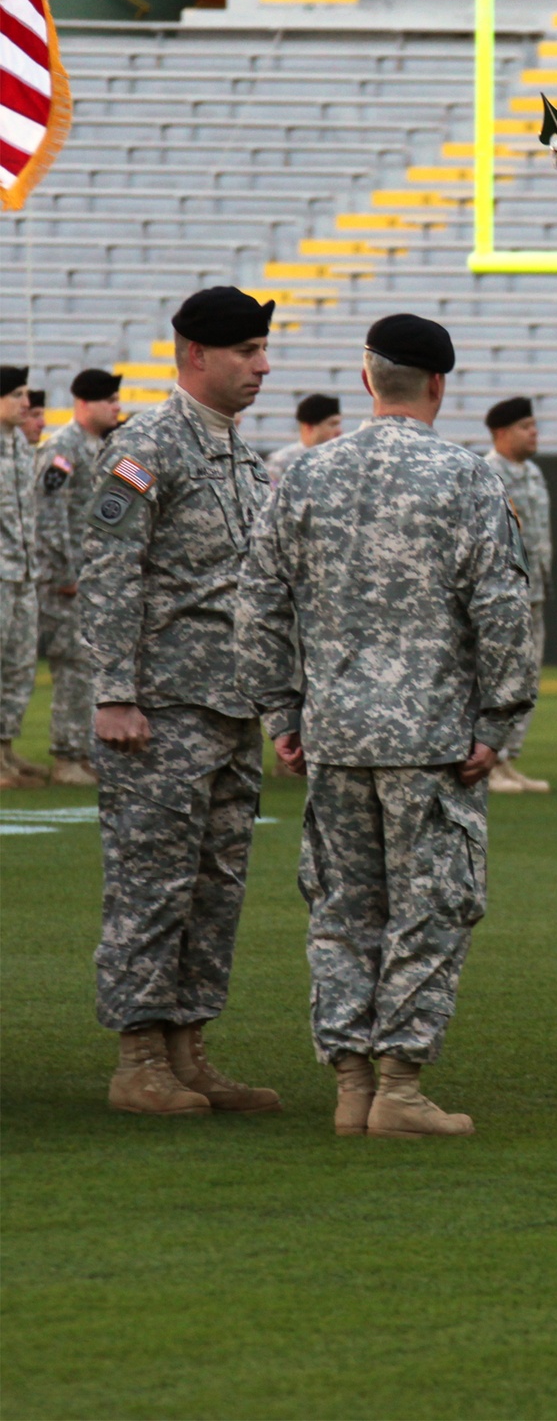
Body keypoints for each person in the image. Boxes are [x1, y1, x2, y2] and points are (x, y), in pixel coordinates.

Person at [236, 313, 536, 1139]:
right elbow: (501, 607)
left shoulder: (300, 475)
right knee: (430, 906)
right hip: (433, 739)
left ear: (367, 380)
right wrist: (498, 719)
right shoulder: (466, 477)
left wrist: (280, 711)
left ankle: (351, 1085)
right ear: (437, 384)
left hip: (335, 734)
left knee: (340, 909)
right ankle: (400, 1087)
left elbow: (260, 602)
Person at [79, 286, 281, 1118]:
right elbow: (109, 573)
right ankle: (137, 1058)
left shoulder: (242, 455)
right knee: (152, 879)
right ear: (197, 354)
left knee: (216, 881)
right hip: (160, 707)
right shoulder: (146, 448)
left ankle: (189, 1049)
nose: (262, 366)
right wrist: (114, 695)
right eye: (246, 352)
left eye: (264, 350)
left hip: (230, 704)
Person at [34, 369, 122, 786]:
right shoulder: (63, 448)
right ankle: (68, 756)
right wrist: (65, 571)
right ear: (84, 404)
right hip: (67, 581)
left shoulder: (102, 445)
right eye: (109, 401)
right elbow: (48, 513)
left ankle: (83, 752)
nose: (117, 407)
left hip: (91, 577)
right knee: (72, 666)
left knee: (86, 666)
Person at [484, 396, 552, 794]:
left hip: (535, 591)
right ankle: (491, 760)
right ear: (502, 433)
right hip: (505, 593)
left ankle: (508, 759)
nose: (534, 433)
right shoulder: (488, 472)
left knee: (528, 677)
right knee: (502, 675)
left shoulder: (533, 473)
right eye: (526, 426)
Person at [0, 365, 47, 790]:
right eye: (16, 394)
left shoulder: (19, 445)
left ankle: (5, 747)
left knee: (17, 664)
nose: (26, 404)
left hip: (22, 571)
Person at [265, 394, 342, 484]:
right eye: (332, 424)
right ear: (309, 427)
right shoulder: (282, 462)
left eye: (339, 424)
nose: (339, 431)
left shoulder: (341, 460)